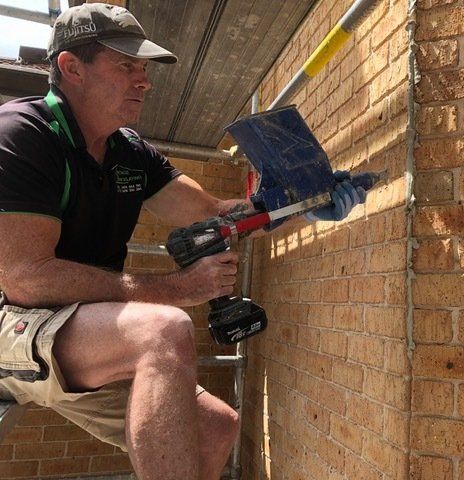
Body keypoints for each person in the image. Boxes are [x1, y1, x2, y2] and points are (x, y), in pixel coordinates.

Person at [0, 3, 364, 479]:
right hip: (17, 321)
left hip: (87, 331)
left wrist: (297, 203)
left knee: (215, 426)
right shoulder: (22, 135)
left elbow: (214, 213)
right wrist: (177, 289)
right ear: (72, 68)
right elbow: (27, 280)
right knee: (163, 329)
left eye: (145, 68)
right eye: (126, 65)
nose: (144, 81)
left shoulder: (130, 152)